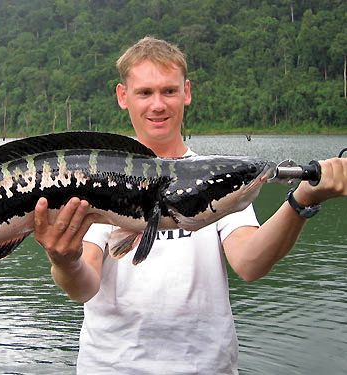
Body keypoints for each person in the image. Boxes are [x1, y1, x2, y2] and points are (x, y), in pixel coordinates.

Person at [33, 36, 347, 374]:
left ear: (187, 92)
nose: (158, 105)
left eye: (169, 91)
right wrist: (63, 262)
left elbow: (250, 263)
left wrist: (301, 201)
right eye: (144, 92)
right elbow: (85, 286)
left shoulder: (220, 181)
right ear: (123, 96)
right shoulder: (99, 180)